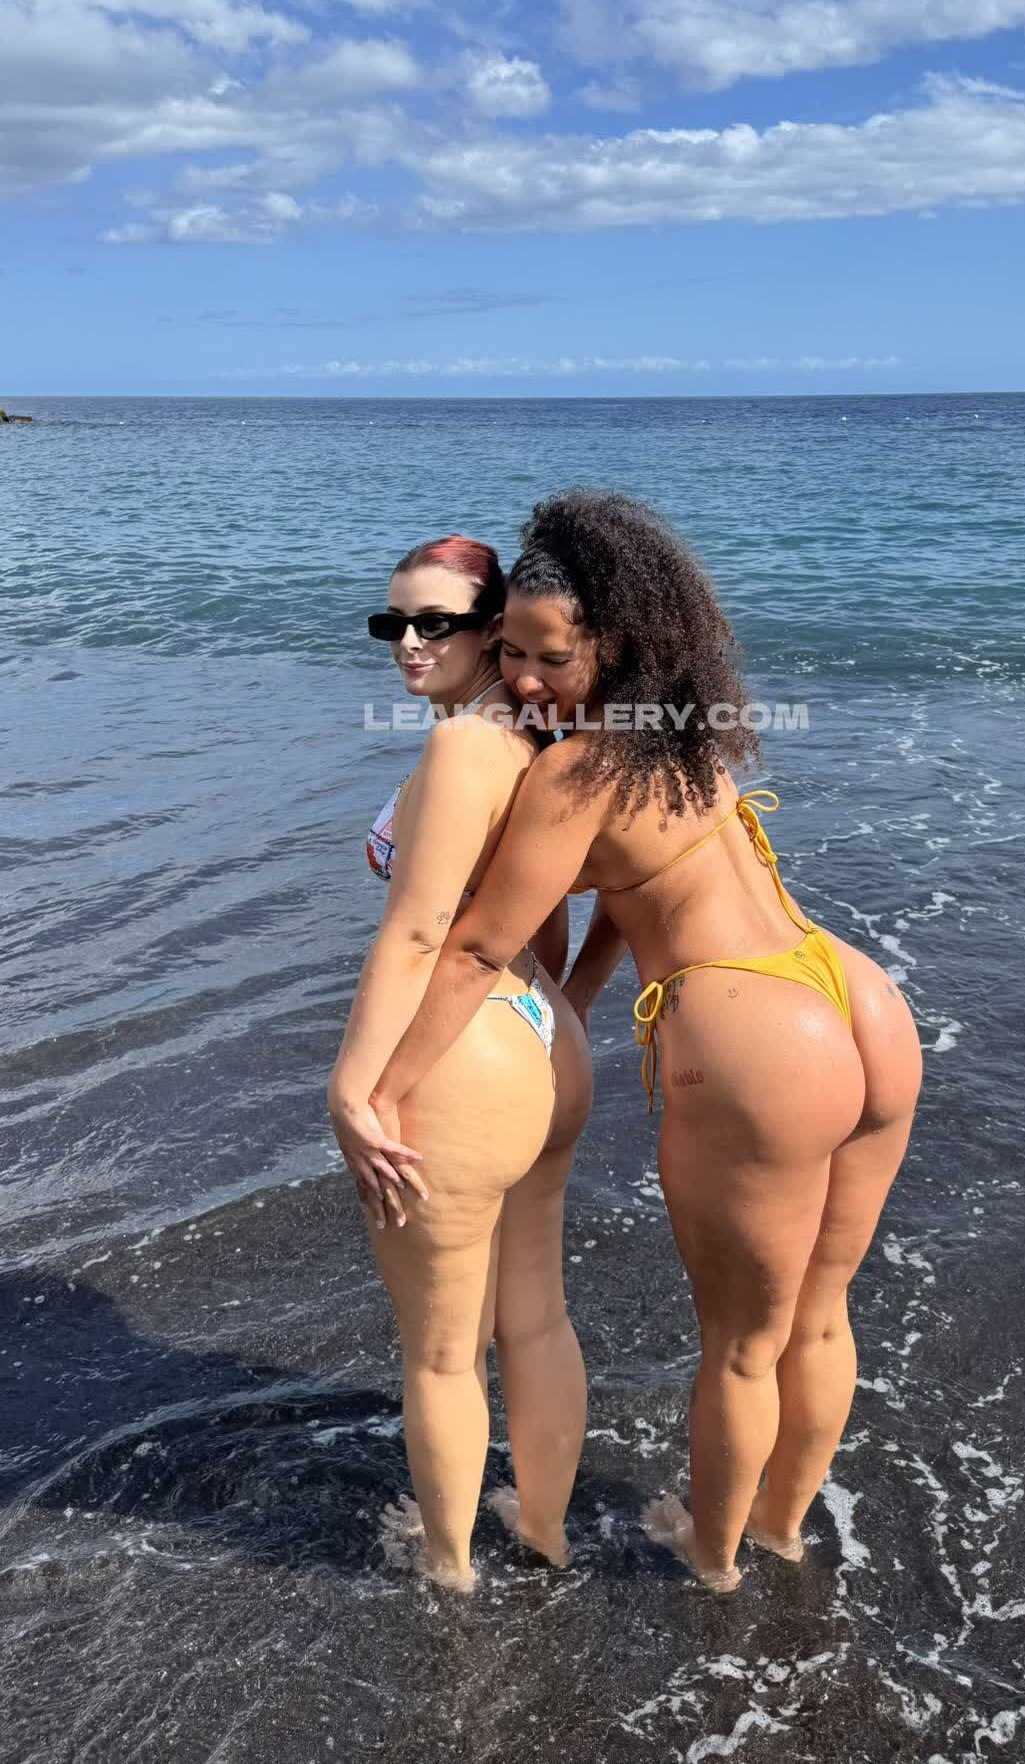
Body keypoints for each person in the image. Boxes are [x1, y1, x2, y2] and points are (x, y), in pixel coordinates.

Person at [361, 492, 923, 1593]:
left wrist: (381, 1087)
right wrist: (575, 997)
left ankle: (711, 1560)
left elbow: (471, 947)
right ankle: (779, 1531)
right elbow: (632, 890)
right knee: (818, 1316)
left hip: (760, 1036)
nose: (528, 680)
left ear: (613, 645)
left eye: (549, 657)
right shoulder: (679, 738)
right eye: (513, 652)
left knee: (744, 1347)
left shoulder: (575, 772)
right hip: (853, 992)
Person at [328, 534, 592, 1593]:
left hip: (463, 1056)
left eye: (434, 623)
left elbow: (416, 934)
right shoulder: (539, 744)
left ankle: (448, 1572)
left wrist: (353, 1087)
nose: (407, 642)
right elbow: (548, 925)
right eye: (391, 622)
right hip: (542, 1036)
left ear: (493, 632)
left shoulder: (461, 749)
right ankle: (546, 1532)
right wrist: (543, 1029)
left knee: (443, 1352)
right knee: (536, 1315)